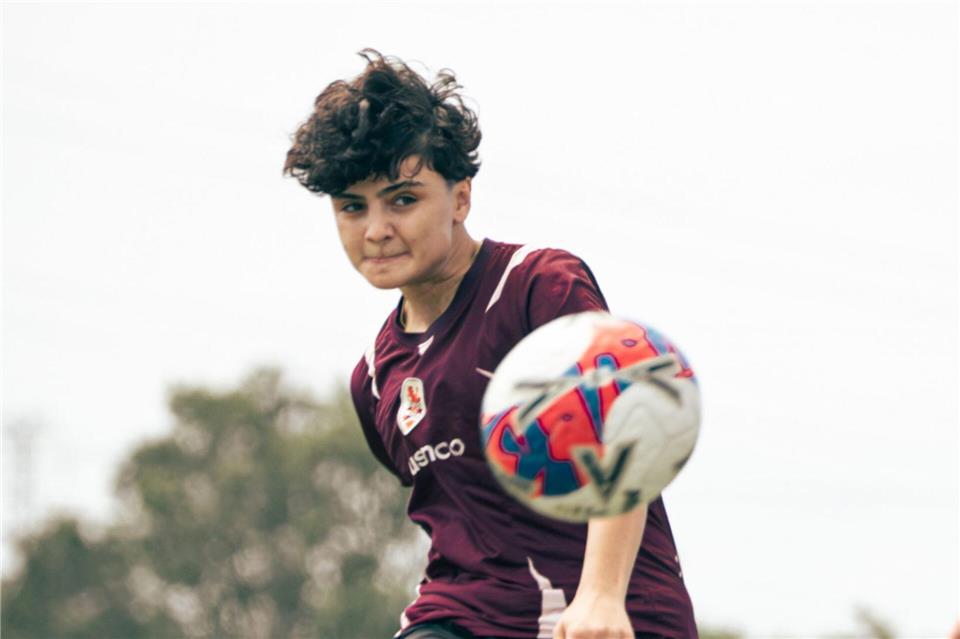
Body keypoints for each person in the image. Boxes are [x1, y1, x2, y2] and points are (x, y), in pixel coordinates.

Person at [284, 50, 697, 639]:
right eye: (353, 207)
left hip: (612, 619)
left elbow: (629, 431)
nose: (376, 230)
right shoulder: (375, 378)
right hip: (462, 620)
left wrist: (602, 598)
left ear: (459, 198)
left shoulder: (537, 285)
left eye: (403, 199)